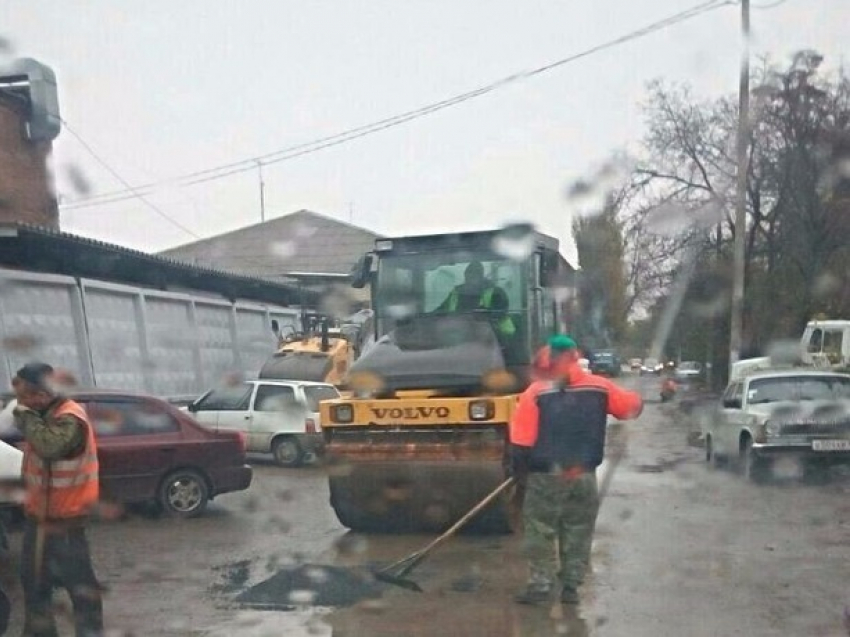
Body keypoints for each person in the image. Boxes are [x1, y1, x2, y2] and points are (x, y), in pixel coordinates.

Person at [510, 335, 643, 606]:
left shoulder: (536, 392)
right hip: (583, 475)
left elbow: (521, 441)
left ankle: (542, 585)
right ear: (575, 356)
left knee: (540, 528)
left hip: (545, 474)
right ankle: (571, 587)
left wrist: (519, 473)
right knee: (578, 528)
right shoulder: (600, 387)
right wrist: (642, 398)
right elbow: (630, 408)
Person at [12, 362, 104, 637]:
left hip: (66, 521)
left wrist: (24, 414)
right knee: (34, 584)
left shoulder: (70, 417)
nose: (20, 401)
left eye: (24, 395)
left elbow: (50, 446)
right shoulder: (41, 414)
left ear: (41, 392)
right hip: (38, 519)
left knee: (81, 589)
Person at [436, 261, 516, 338]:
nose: (471, 277)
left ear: (481, 276)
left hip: (500, 337)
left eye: (475, 274)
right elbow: (440, 311)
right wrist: (428, 317)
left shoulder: (496, 292)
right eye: (469, 274)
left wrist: (484, 314)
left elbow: (500, 312)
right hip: (462, 337)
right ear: (465, 275)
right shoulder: (456, 293)